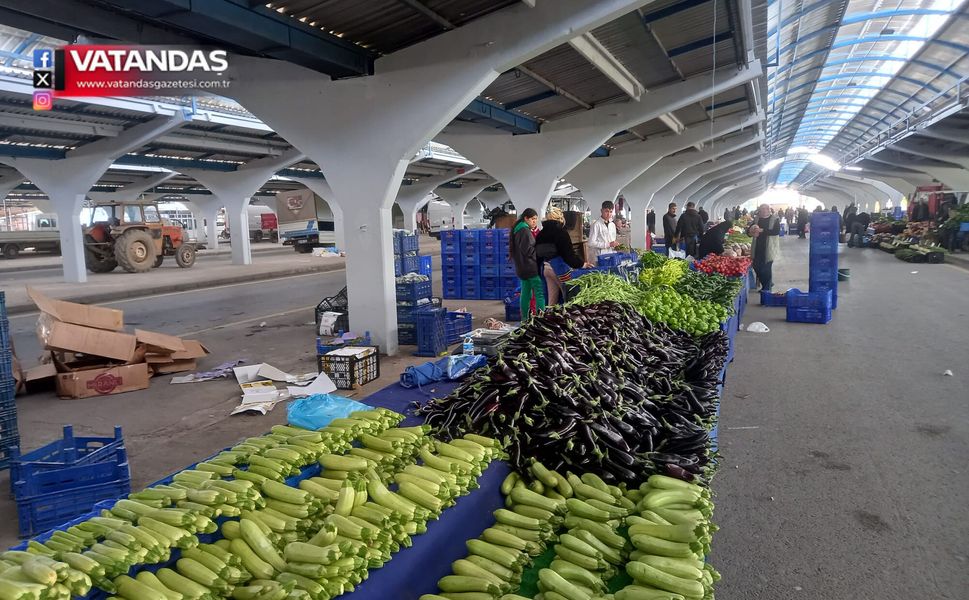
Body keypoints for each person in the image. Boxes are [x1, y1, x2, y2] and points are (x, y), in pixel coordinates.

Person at [536, 207, 593, 305]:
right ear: (560, 219)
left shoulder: (541, 234)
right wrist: (582, 264)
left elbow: (537, 255)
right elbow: (568, 255)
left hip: (546, 268)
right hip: (558, 268)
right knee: (569, 297)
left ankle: (549, 317)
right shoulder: (561, 232)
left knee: (551, 300)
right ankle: (566, 318)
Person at [510, 208, 545, 318]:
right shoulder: (525, 231)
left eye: (536, 219)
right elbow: (529, 250)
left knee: (525, 293)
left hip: (522, 268)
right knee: (539, 293)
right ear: (526, 218)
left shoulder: (517, 229)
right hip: (531, 268)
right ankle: (541, 319)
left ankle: (524, 319)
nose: (534, 221)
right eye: (532, 219)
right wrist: (541, 256)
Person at [747, 203, 781, 291]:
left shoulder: (775, 219)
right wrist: (750, 232)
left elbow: (776, 231)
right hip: (757, 246)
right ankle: (768, 283)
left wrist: (762, 230)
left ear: (768, 210)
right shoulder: (757, 219)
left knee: (766, 268)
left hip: (769, 247)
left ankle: (766, 288)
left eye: (765, 209)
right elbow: (749, 230)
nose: (763, 211)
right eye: (761, 210)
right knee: (756, 266)